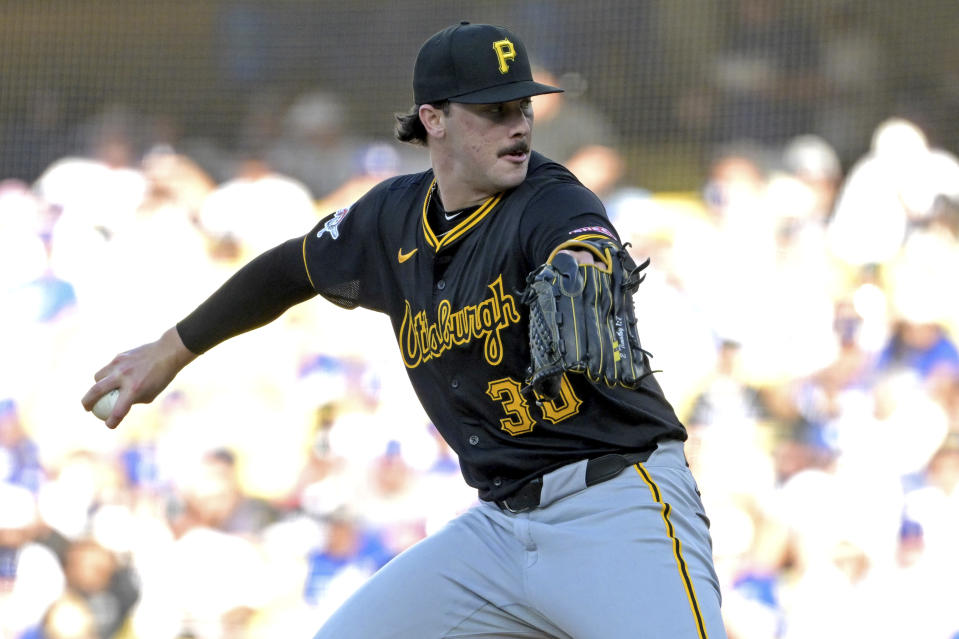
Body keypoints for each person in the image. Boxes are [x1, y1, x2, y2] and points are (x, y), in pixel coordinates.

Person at [82, 22, 725, 638]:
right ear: (433, 118)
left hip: (617, 509)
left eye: (523, 106)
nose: (519, 124)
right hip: (498, 530)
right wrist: (171, 351)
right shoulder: (391, 218)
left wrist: (580, 263)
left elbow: (582, 240)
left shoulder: (550, 198)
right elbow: (289, 269)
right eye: (493, 109)